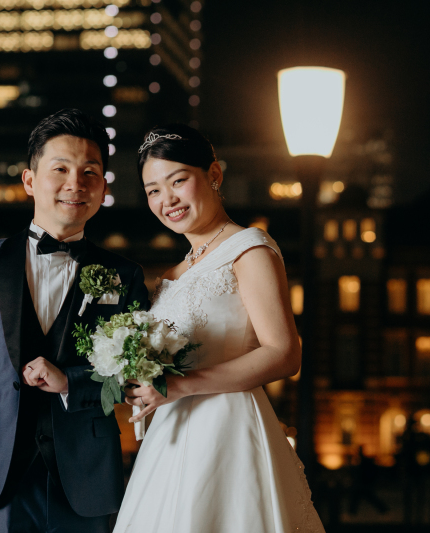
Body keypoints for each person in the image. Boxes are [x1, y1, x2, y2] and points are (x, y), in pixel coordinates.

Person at [0, 109, 148, 533]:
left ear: (102, 188)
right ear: (29, 180)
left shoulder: (126, 275)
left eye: (89, 173)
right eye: (60, 169)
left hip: (88, 477)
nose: (74, 184)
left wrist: (71, 381)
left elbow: (136, 377)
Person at [115, 125, 325, 532]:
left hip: (228, 427)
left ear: (214, 174)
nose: (167, 199)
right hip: (170, 435)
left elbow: (284, 353)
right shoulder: (172, 274)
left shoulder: (250, 248)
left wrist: (181, 385)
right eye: (153, 190)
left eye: (178, 181)